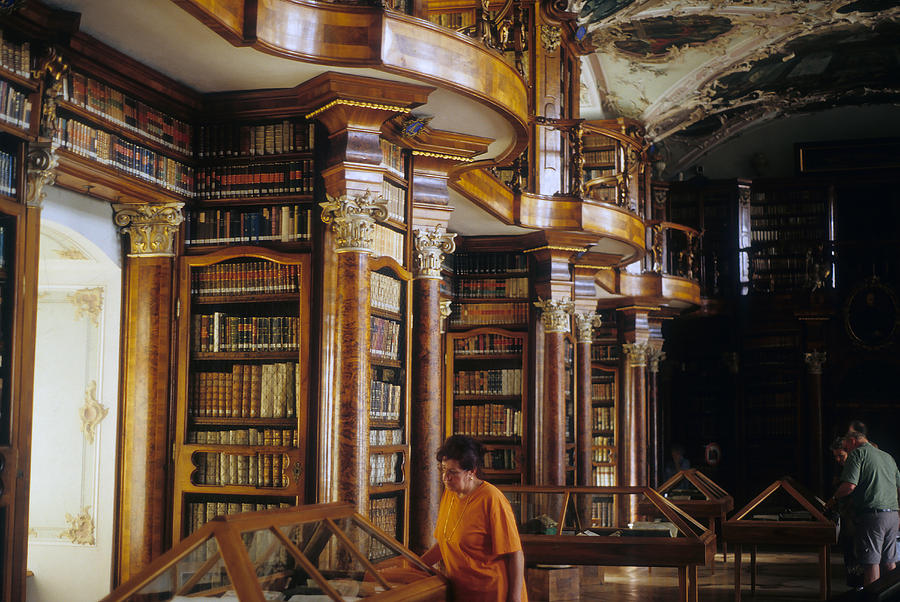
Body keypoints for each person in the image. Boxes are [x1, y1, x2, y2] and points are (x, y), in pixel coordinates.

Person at [421, 435, 527, 602]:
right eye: (443, 470)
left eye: (452, 472)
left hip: (492, 592)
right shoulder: (450, 494)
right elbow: (445, 543)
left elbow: (515, 554)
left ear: (471, 472)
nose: (445, 477)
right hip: (461, 591)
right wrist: (414, 566)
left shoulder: (492, 499)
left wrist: (514, 599)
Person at [830, 430, 900, 586]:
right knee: (890, 563)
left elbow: (849, 486)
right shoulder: (887, 457)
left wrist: (833, 498)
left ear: (853, 441)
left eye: (846, 447)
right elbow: (898, 487)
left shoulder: (858, 454)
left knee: (871, 564)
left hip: (873, 516)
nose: (847, 450)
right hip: (893, 516)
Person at [829, 436, 862, 588]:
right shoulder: (841, 468)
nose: (837, 459)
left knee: (855, 552)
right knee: (848, 551)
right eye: (835, 456)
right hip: (846, 515)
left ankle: (858, 586)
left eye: (840, 455)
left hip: (856, 516)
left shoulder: (855, 465)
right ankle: (853, 584)